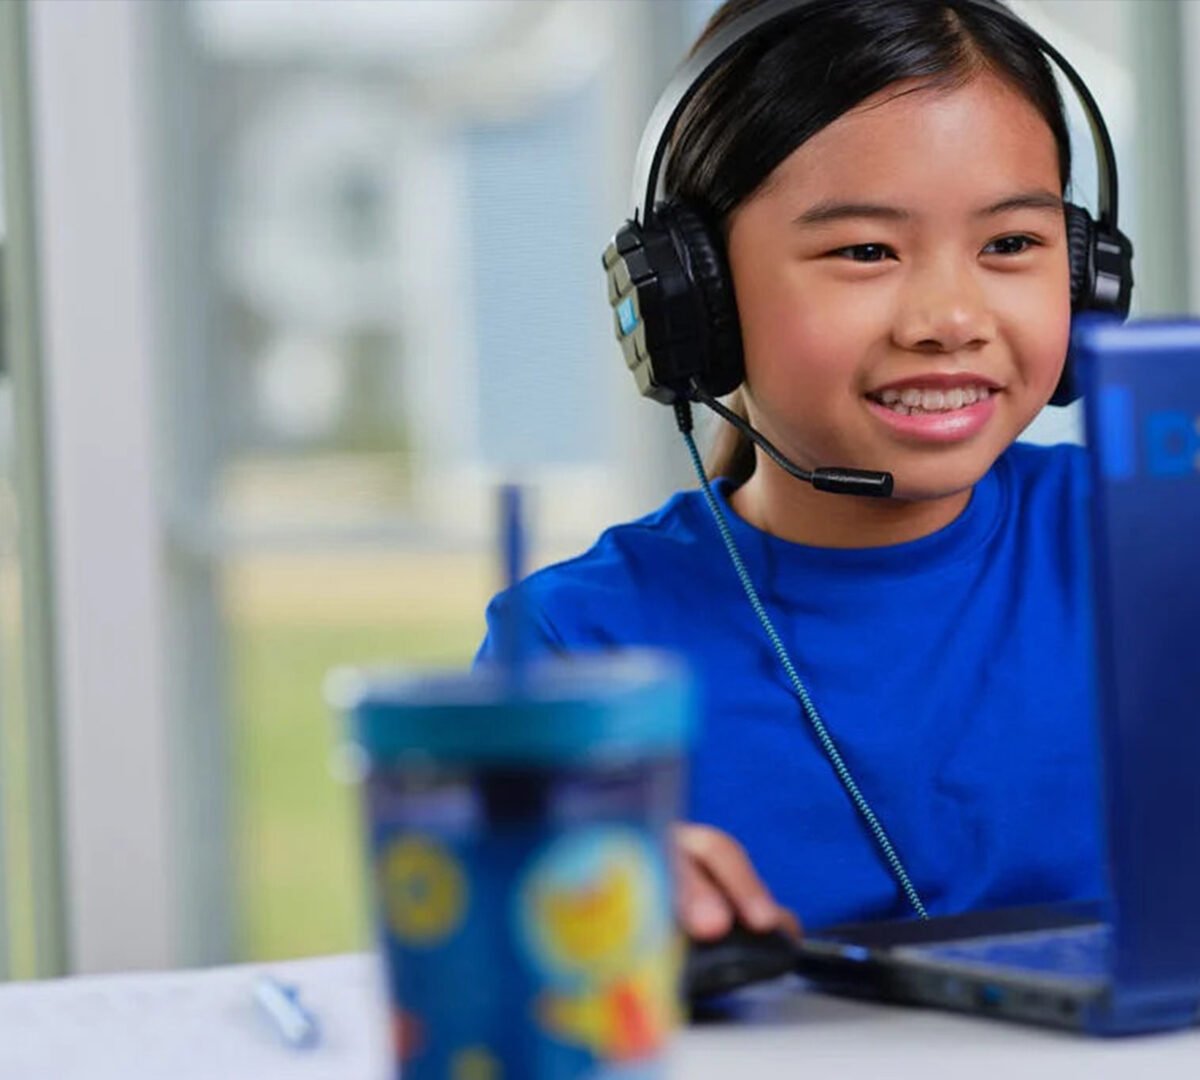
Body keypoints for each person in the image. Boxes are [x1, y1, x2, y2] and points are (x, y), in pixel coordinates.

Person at [476, 0, 1124, 946]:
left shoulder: (1152, 547)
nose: (949, 317)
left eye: (1010, 245)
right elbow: (503, 971)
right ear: (694, 301)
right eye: (865, 250)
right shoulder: (575, 648)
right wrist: (576, 901)